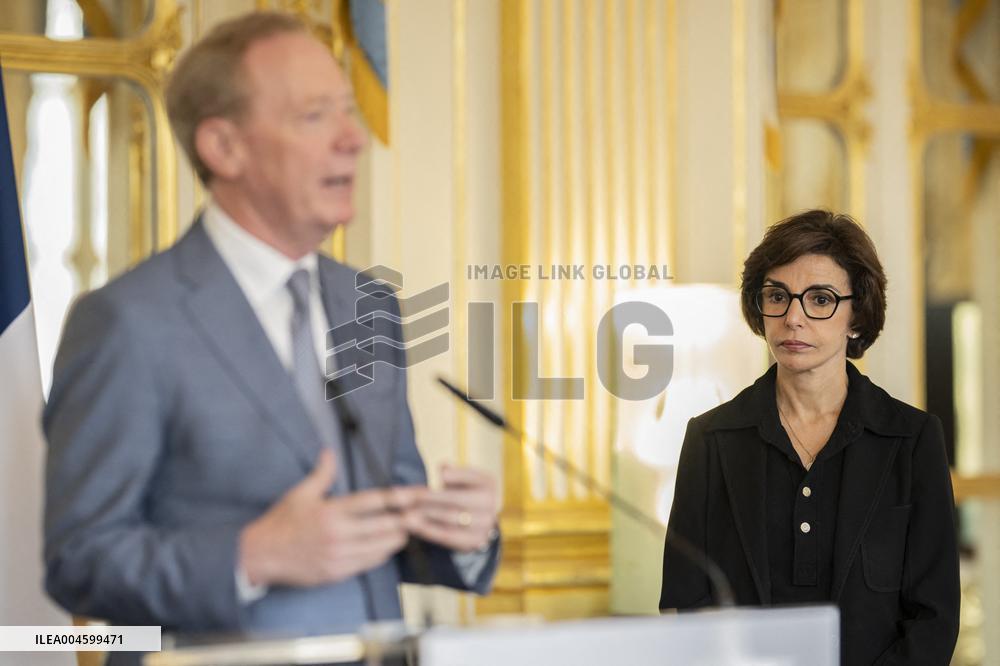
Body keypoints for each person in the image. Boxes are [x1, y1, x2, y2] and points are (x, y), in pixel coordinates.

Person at [42, 10, 500, 652]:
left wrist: (461, 530)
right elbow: (81, 558)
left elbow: (388, 515)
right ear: (224, 147)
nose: (354, 138)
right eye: (316, 116)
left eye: (348, 110)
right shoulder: (127, 321)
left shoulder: (369, 304)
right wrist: (251, 557)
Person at [659, 210, 960, 665]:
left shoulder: (913, 439)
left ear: (856, 316)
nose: (793, 318)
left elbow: (935, 617)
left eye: (819, 300)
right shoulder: (711, 439)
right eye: (777, 296)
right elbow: (688, 600)